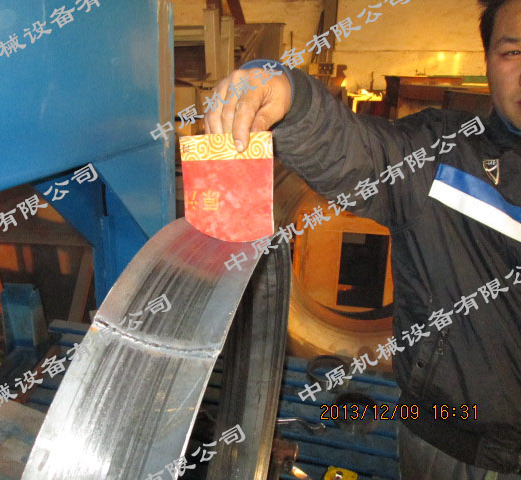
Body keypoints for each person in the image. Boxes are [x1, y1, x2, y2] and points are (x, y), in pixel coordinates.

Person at [204, 0, 521, 478]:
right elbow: (356, 152)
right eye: (513, 52)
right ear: (488, 61)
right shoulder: (442, 155)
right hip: (448, 445)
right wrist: (286, 94)